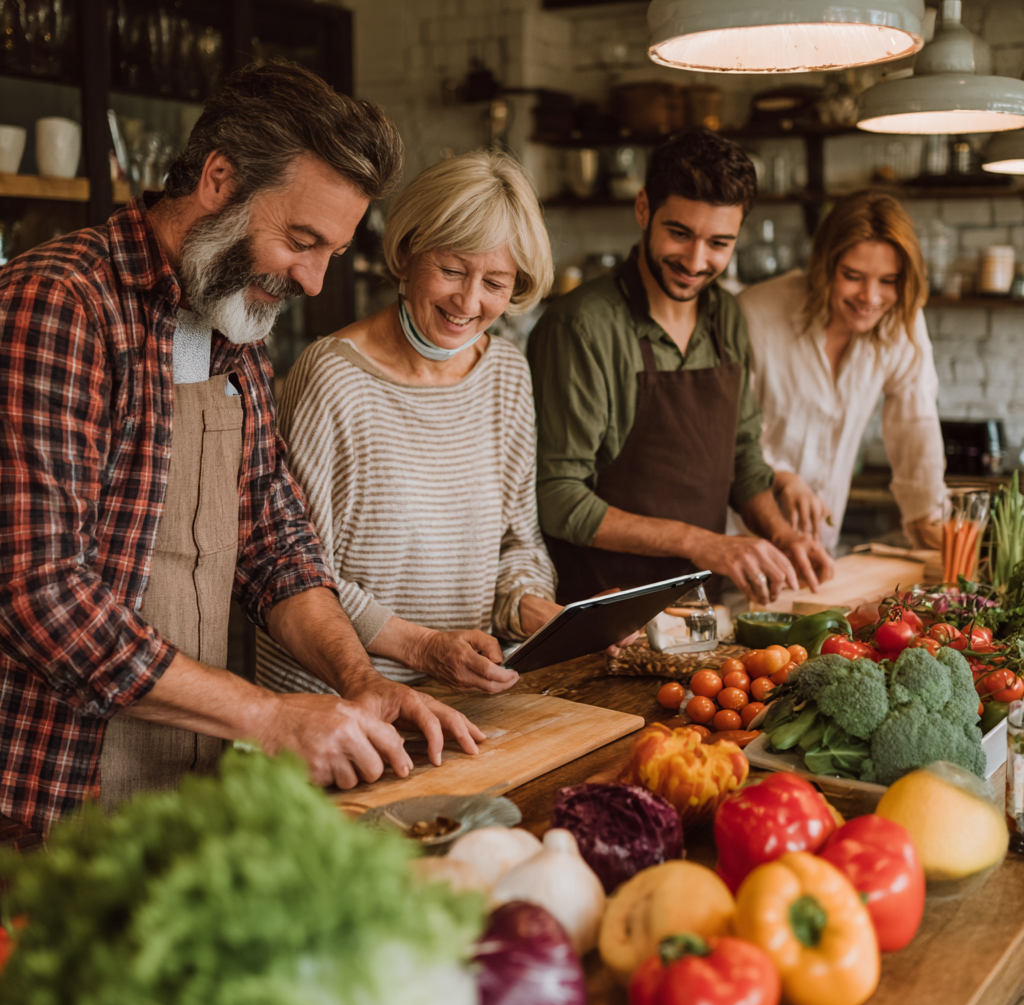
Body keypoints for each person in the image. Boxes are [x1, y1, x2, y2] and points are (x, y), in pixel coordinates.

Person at [0, 63, 484, 835]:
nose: (316, 280)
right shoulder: (61, 305)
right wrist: (269, 716)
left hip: (188, 792)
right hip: (55, 807)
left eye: (332, 249)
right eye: (301, 240)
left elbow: (276, 545)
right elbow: (39, 593)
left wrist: (360, 681)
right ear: (219, 180)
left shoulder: (233, 328)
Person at [256, 151, 560, 696]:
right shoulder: (332, 377)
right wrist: (424, 646)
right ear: (407, 252)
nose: (468, 301)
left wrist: (530, 606)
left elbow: (520, 540)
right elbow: (297, 575)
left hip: (460, 694)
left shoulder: (507, 373)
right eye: (451, 270)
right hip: (339, 703)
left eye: (495, 282)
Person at [528, 130, 833, 607]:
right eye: (680, 233)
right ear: (643, 209)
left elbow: (743, 459)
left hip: (697, 606)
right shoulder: (582, 327)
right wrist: (702, 543)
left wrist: (781, 535)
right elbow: (559, 499)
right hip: (602, 615)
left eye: (719, 242)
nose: (695, 261)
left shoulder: (726, 317)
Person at [738, 191, 945, 552]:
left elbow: (916, 421)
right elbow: (728, 429)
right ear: (824, 265)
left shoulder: (901, 322)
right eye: (853, 276)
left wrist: (924, 513)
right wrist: (781, 477)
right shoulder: (755, 313)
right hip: (740, 539)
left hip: (821, 542)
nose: (870, 297)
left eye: (888, 280)